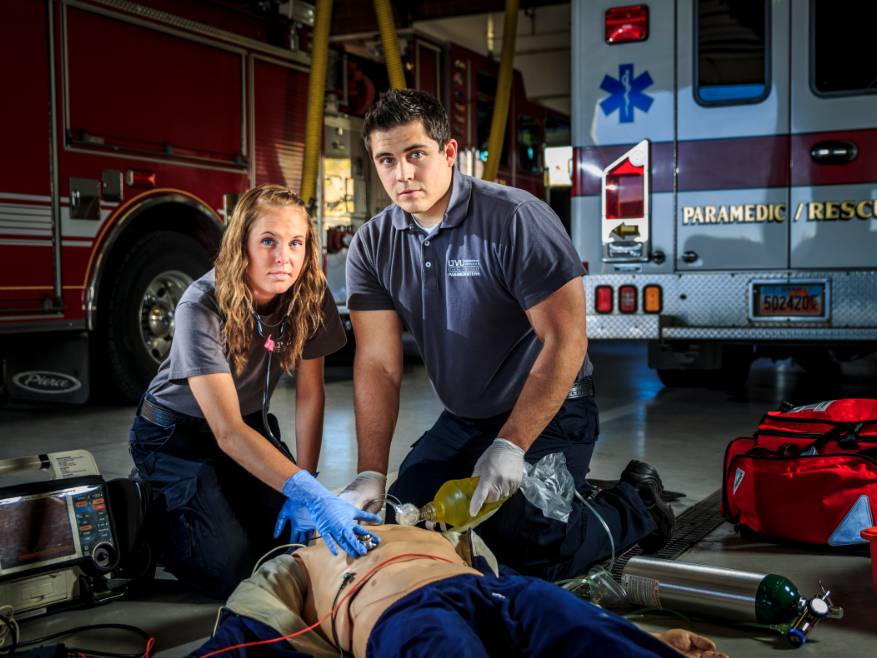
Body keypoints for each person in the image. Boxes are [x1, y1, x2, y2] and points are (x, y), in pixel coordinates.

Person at [337, 89, 673, 581]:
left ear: (449, 153)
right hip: (465, 418)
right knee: (404, 522)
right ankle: (548, 495)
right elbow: (379, 365)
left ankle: (635, 503)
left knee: (537, 551)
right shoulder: (373, 245)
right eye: (386, 160)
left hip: (555, 408)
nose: (402, 174)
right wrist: (370, 472)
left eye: (415, 155)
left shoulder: (515, 218)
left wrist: (512, 444)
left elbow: (566, 340)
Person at [128, 185, 379, 599]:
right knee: (233, 570)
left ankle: (214, 501)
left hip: (248, 429)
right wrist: (311, 494)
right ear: (240, 244)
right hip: (177, 438)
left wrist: (307, 480)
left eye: (296, 242)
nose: (284, 257)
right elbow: (225, 432)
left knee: (286, 548)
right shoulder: (201, 304)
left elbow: (309, 394)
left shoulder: (309, 296)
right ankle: (151, 505)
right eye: (268, 241)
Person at [192, 524, 728, 658]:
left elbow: (567, 620)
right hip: (397, 612)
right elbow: (248, 630)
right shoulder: (300, 560)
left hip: (494, 592)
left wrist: (643, 637)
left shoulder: (433, 526)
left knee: (565, 618)